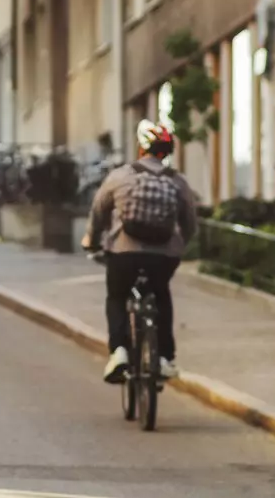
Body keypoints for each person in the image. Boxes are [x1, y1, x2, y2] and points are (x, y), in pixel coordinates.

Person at [83, 119, 199, 383]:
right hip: (163, 256)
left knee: (116, 296)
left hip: (124, 252)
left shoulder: (121, 176)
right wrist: (182, 244)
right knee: (161, 296)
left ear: (141, 148)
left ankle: (120, 352)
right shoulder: (178, 181)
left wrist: (91, 239)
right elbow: (190, 222)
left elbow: (99, 210)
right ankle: (165, 358)